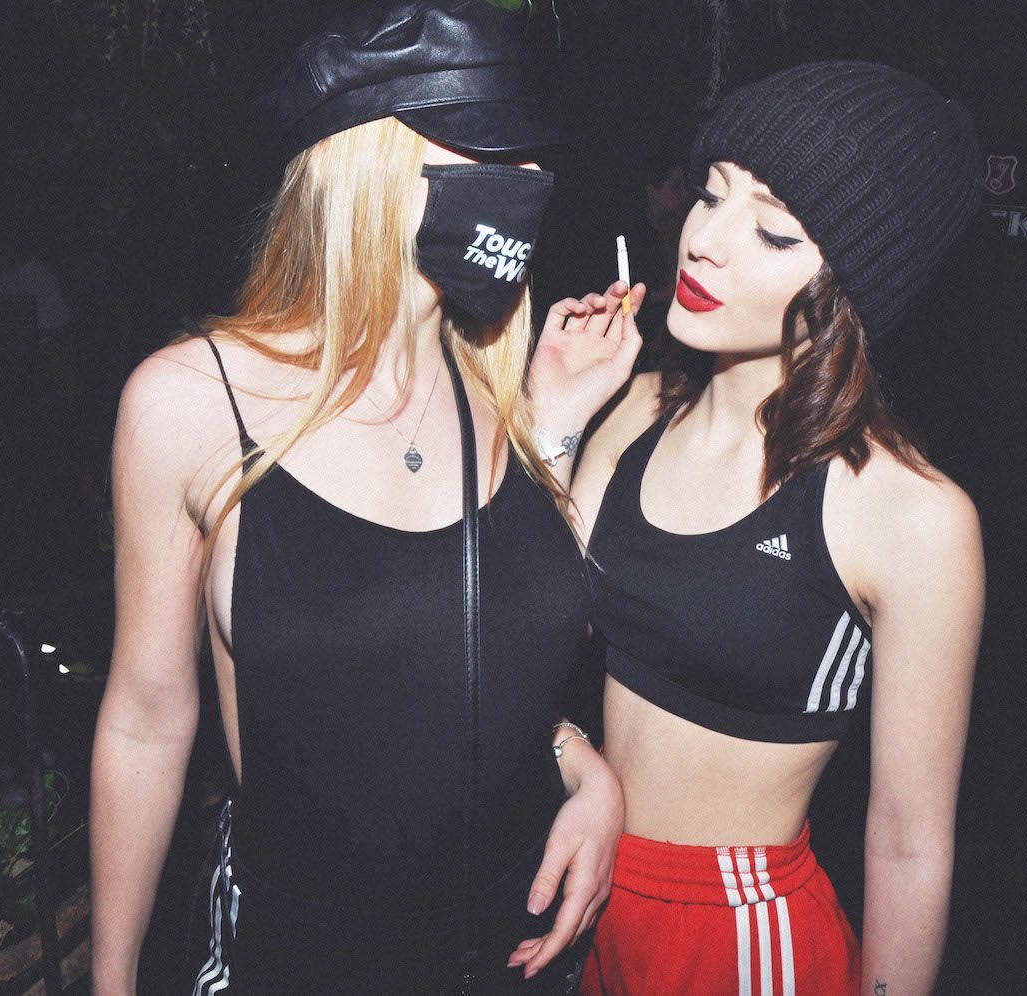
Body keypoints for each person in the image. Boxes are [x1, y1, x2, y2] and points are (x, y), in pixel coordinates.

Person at [88, 3, 626, 992]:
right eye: (484, 142)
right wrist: (111, 982)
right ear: (364, 160)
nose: (525, 179)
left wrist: (579, 763)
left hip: (514, 949)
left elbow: (480, 648)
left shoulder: (505, 388)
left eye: (528, 151)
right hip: (304, 956)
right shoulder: (193, 403)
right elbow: (147, 719)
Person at [531, 62, 986, 993]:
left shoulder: (908, 515)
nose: (702, 240)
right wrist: (555, 422)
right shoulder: (633, 409)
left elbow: (908, 843)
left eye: (773, 229)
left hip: (739, 937)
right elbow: (511, 638)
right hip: (578, 886)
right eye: (710, 193)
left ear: (853, 284)